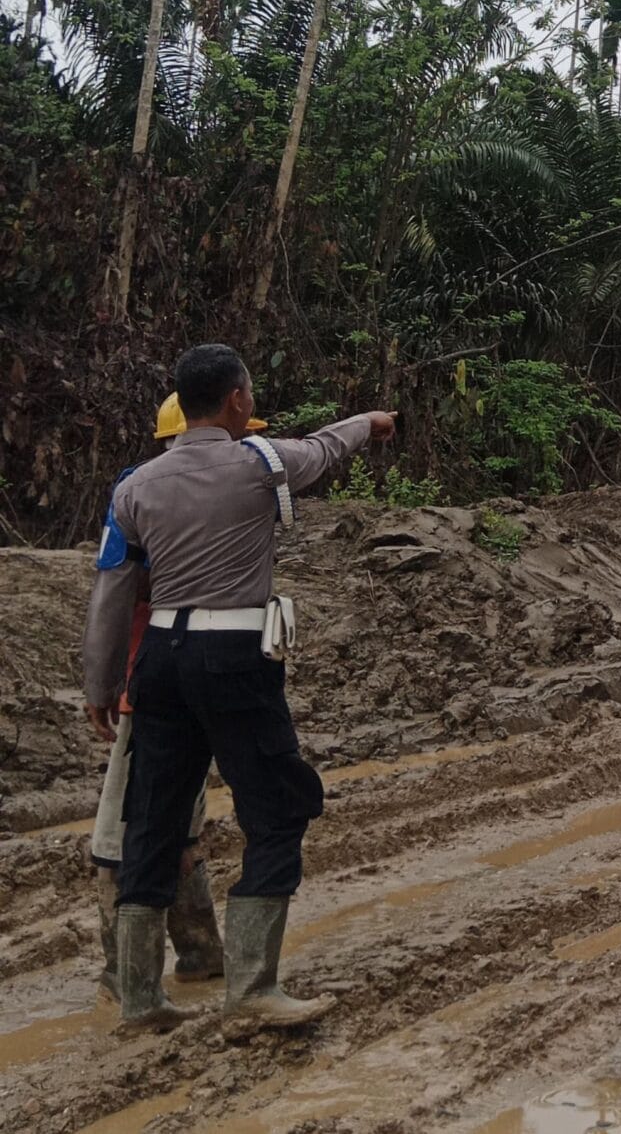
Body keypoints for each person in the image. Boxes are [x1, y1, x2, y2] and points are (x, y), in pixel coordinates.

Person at [81, 343, 395, 1032]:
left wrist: (103, 682)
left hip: (159, 657)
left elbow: (111, 590)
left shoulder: (134, 486)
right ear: (238, 401)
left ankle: (140, 998)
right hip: (234, 654)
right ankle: (252, 985)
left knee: (154, 818)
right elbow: (324, 447)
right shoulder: (261, 464)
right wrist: (369, 420)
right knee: (279, 806)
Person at [82, 393, 267, 1001]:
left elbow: (113, 593)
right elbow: (120, 590)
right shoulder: (187, 497)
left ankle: (153, 967)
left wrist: (101, 685)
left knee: (142, 828)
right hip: (202, 677)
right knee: (152, 829)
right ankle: (181, 958)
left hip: (157, 684)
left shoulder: (144, 495)